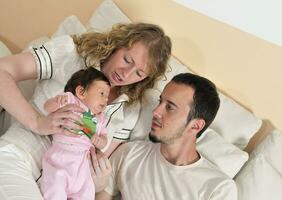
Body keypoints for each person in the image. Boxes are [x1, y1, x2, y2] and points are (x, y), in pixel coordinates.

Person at [0, 22, 171, 199]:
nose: (126, 74)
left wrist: (99, 182)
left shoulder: (129, 110)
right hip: (18, 159)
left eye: (139, 73)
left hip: (69, 189)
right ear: (117, 44)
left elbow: (97, 157)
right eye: (127, 60)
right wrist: (36, 121)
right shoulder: (70, 54)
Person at [93, 73, 238, 200]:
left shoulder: (218, 188)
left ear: (195, 126)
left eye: (170, 107)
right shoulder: (129, 153)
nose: (156, 111)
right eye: (160, 102)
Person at [41, 67, 110, 200]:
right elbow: (46, 108)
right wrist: (56, 101)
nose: (106, 100)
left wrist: (99, 141)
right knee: (55, 186)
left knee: (87, 192)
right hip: (61, 159)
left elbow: (104, 140)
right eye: (102, 93)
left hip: (83, 166)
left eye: (107, 96)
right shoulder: (71, 100)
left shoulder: (100, 119)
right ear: (81, 92)